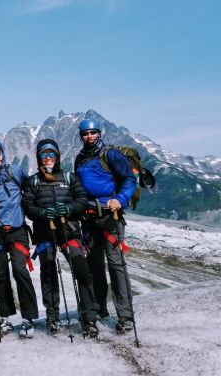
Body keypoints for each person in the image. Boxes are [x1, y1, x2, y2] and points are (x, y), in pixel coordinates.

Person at [21, 139, 100, 337]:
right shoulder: (33, 181)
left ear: (57, 156)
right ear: (39, 157)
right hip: (44, 233)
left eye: (51, 154)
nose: (48, 158)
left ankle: (89, 316)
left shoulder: (69, 177)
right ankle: (52, 317)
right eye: (44, 155)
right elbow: (28, 207)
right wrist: (42, 213)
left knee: (81, 269)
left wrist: (70, 208)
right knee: (48, 272)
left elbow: (82, 200)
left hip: (69, 230)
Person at [74, 119, 137, 333]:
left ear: (99, 133)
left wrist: (120, 198)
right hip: (90, 219)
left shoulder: (111, 155)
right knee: (94, 266)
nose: (89, 136)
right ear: (81, 136)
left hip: (111, 215)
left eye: (93, 132)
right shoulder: (80, 158)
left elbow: (129, 179)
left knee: (115, 264)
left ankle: (126, 316)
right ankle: (100, 309)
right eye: (85, 134)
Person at [0, 139, 39, 338]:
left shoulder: (16, 171)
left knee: (20, 270)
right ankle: (5, 317)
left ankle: (28, 318)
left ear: (2, 153)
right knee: (0, 275)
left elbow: (29, 189)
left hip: (18, 231)